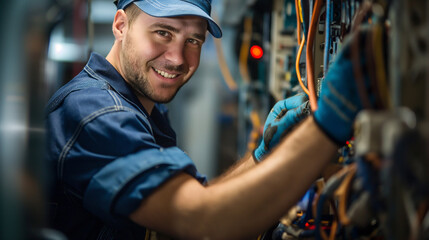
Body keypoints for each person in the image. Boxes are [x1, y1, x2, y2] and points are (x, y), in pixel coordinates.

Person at [45, 0, 368, 239]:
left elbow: (198, 200)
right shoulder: (96, 113)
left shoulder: (140, 111)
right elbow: (202, 221)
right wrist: (326, 127)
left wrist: (265, 155)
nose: (177, 58)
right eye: (162, 32)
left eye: (193, 40)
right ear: (120, 25)